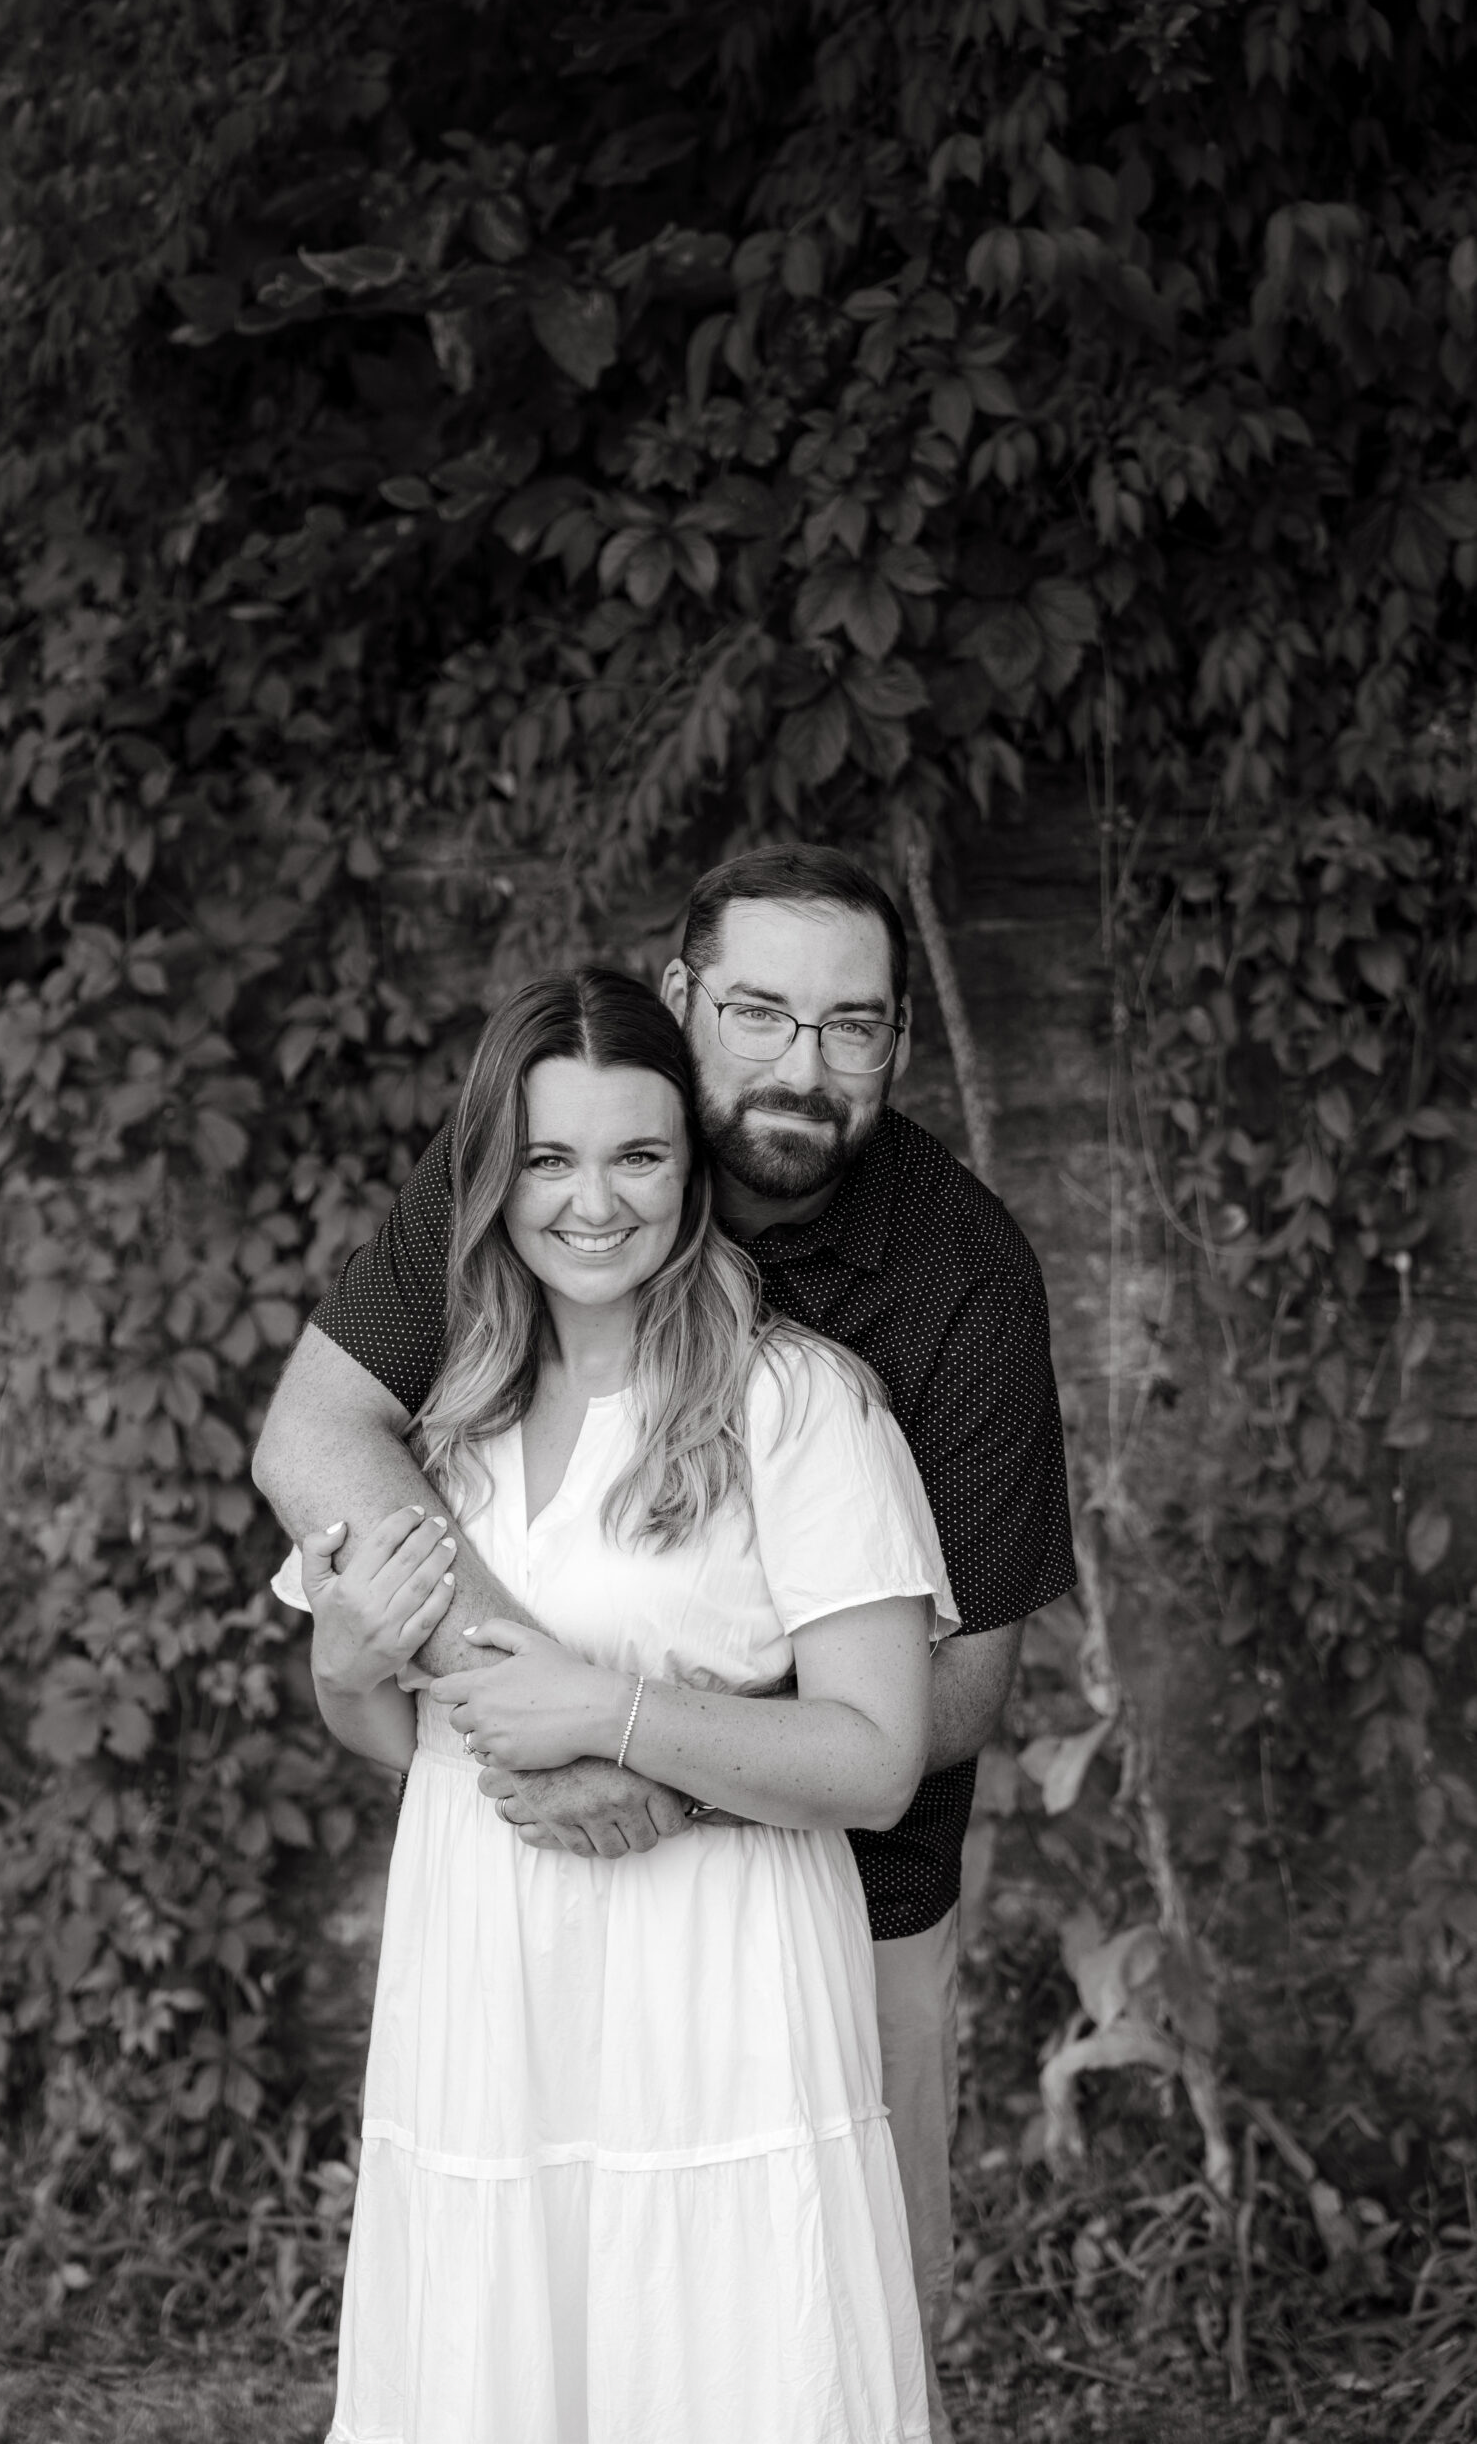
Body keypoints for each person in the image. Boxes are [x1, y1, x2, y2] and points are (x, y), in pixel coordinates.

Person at [255, 844, 1077, 2444]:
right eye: (761, 1011)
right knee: (516, 2337)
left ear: (897, 1041)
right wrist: (493, 1700)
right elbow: (319, 1440)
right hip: (510, 1921)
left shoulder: (944, 1289)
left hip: (824, 1908)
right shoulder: (555, 1170)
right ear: (687, 1000)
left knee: (796, 2333)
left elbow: (951, 1689)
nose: (802, 1060)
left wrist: (637, 1757)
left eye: (852, 1025)